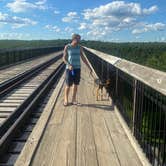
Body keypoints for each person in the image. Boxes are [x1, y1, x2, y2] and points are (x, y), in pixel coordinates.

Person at [63, 33, 92, 106]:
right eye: (78, 39)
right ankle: (66, 99)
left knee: (76, 84)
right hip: (69, 69)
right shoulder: (67, 47)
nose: (79, 40)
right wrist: (68, 65)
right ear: (74, 39)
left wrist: (89, 66)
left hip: (77, 68)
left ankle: (73, 100)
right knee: (68, 85)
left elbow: (83, 57)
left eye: (79, 39)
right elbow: (64, 58)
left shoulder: (80, 47)